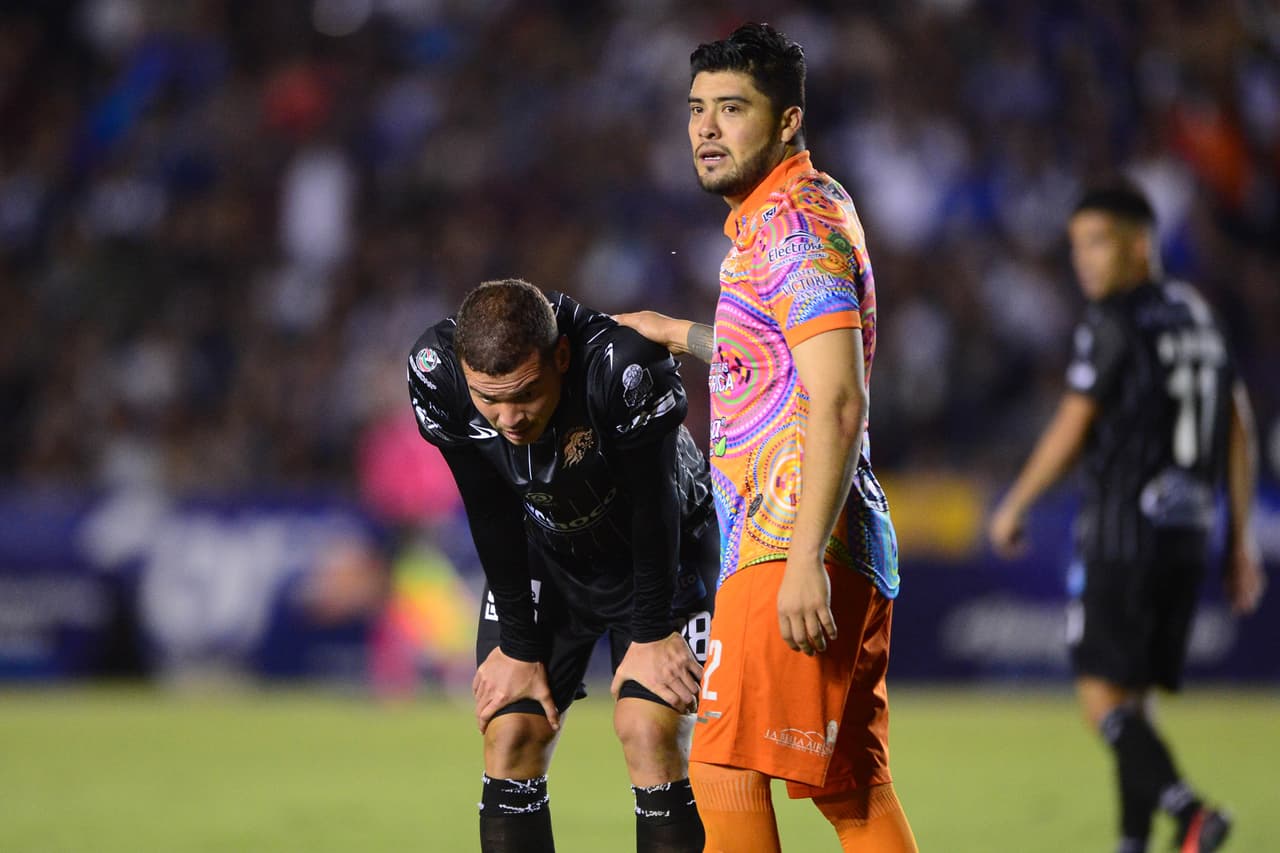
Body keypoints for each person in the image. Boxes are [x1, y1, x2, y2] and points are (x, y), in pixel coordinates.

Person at [616, 22, 917, 853]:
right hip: (825, 535)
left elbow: (840, 398)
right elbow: (785, 357)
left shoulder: (791, 225)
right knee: (851, 790)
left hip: (789, 533)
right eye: (696, 109)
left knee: (721, 768)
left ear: (786, 120)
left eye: (732, 108)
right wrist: (682, 333)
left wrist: (803, 559)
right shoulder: (790, 214)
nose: (706, 128)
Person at [988, 182, 1267, 853]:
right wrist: (1241, 539)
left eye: (1097, 242)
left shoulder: (1112, 319)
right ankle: (1133, 840)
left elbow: (1074, 421)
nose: (1083, 260)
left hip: (1121, 534)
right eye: (1077, 245)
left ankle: (1190, 810)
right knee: (1136, 703)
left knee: (1101, 700)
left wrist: (1016, 503)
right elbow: (1239, 425)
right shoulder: (1199, 314)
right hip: (1189, 535)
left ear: (1139, 243)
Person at [407, 280, 717, 853]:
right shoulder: (437, 373)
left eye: (524, 393)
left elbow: (657, 507)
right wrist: (520, 648)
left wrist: (651, 633)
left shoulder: (620, 367)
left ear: (562, 358)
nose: (509, 418)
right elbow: (490, 506)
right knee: (511, 732)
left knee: (648, 731)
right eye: (488, 399)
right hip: (547, 552)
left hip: (661, 555)